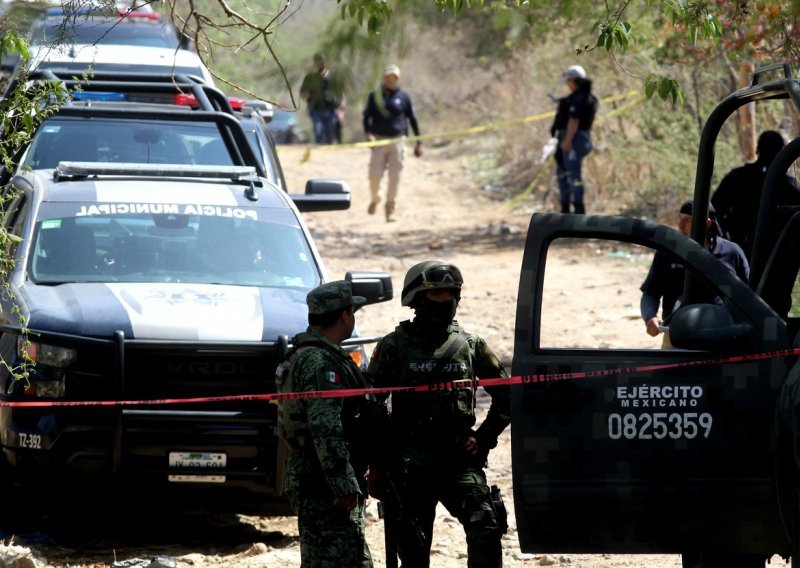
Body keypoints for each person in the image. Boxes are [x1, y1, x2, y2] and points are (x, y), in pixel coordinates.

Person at [367, 261, 511, 568]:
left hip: (457, 459)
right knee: (413, 550)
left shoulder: (471, 346)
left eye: (451, 293)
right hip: (409, 464)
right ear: (417, 299)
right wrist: (377, 465)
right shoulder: (394, 346)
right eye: (437, 294)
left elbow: (508, 396)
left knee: (486, 526)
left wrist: (483, 438)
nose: (446, 300)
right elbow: (369, 407)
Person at [276, 280, 375, 568]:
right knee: (347, 559)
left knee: (324, 557)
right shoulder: (321, 363)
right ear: (344, 315)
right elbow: (325, 425)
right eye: (352, 311)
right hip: (323, 479)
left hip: (313, 473)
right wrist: (342, 481)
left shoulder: (307, 354)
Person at [641, 200, 749, 343]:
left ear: (707, 223)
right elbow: (651, 292)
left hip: (723, 335)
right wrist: (650, 317)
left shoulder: (732, 252)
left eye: (687, 220)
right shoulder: (667, 252)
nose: (680, 225)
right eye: (679, 218)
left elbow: (749, 295)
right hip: (677, 334)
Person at [711, 129, 800, 259]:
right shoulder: (787, 184)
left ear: (757, 150)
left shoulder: (737, 177)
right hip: (775, 256)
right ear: (782, 153)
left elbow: (714, 209)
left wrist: (725, 236)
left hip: (740, 249)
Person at [362, 63, 423, 222]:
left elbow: (413, 119)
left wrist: (418, 142)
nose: (391, 80)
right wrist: (368, 134)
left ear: (397, 78)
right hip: (379, 141)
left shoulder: (404, 97)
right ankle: (376, 199)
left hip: (398, 141)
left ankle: (390, 208)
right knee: (374, 175)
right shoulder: (374, 96)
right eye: (388, 76)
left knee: (395, 177)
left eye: (394, 77)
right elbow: (366, 116)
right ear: (384, 77)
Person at [551, 64, 598, 214]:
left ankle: (578, 209)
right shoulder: (586, 97)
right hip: (579, 139)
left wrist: (567, 140)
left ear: (572, 80)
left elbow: (574, 121)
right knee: (564, 172)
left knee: (573, 174)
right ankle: (566, 207)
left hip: (574, 140)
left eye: (568, 81)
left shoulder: (579, 98)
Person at [300, 54, 343, 145]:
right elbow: (303, 93)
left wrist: (341, 109)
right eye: (318, 61)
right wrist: (307, 95)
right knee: (318, 131)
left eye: (322, 61)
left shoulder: (333, 77)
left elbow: (340, 94)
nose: (320, 63)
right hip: (316, 109)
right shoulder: (310, 78)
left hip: (331, 110)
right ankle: (320, 152)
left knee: (330, 133)